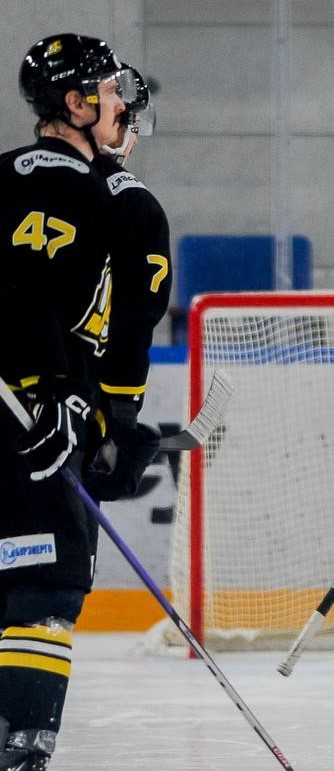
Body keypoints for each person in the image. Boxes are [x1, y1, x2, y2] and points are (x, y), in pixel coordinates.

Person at [0, 33, 134, 770]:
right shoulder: (88, 191)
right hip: (30, 420)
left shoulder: (8, 174)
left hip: (32, 408)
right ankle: (24, 753)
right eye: (109, 92)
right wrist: (53, 389)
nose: (120, 104)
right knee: (45, 583)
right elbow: (25, 288)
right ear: (77, 105)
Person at [85, 64, 168, 501]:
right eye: (124, 119)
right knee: (65, 539)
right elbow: (136, 316)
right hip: (73, 405)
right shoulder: (132, 202)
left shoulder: (11, 174)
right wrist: (122, 414)